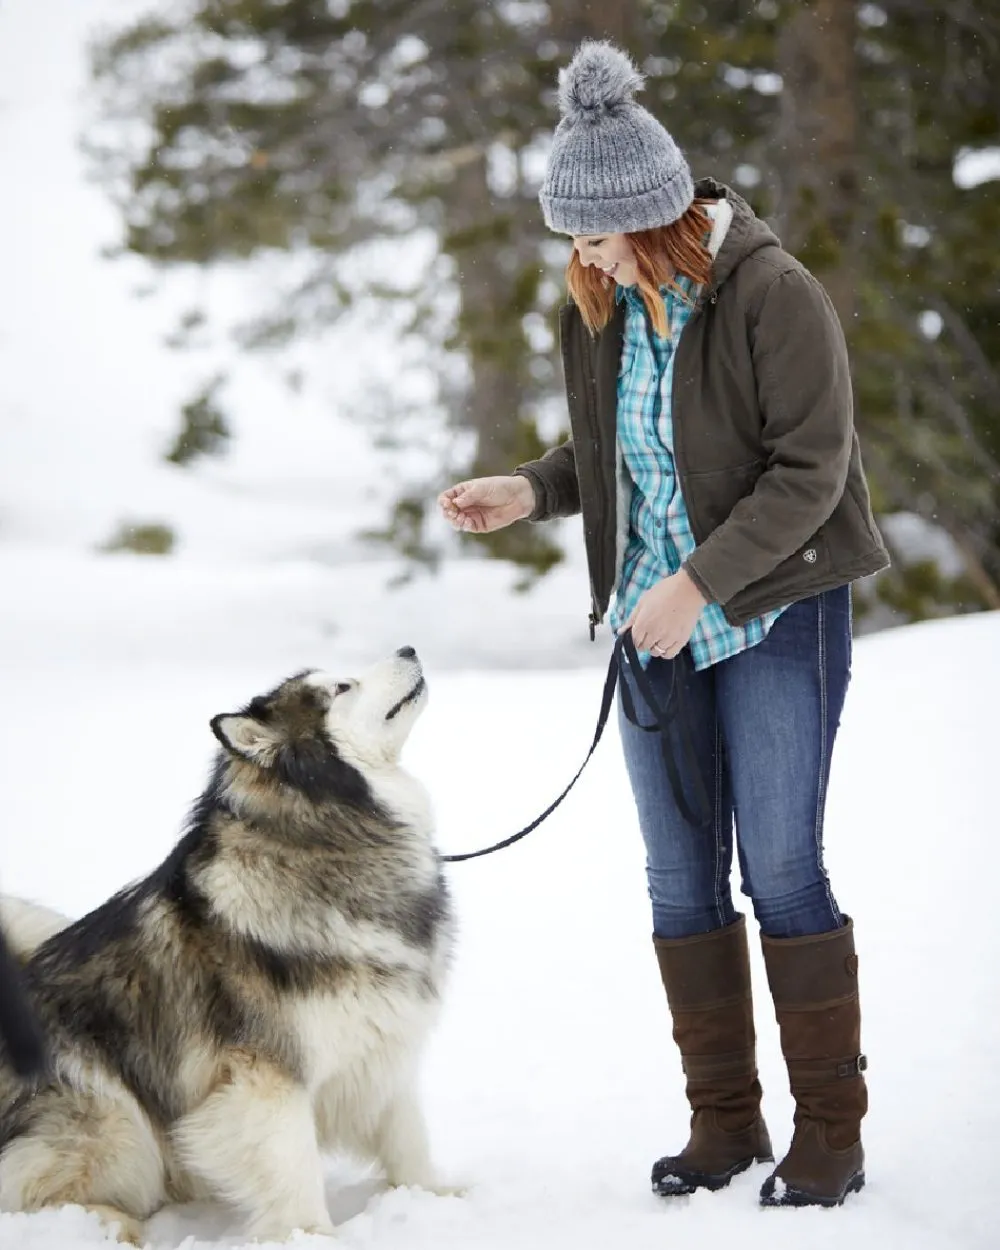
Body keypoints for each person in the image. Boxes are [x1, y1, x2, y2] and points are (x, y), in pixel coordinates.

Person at [438, 40, 890, 1209]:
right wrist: (531, 489)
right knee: (679, 875)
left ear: (650, 214)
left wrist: (699, 579)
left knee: (781, 864)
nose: (577, 256)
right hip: (653, 622)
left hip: (774, 607)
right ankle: (723, 1122)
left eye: (590, 234)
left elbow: (809, 470)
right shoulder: (599, 308)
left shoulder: (771, 295)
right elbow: (622, 457)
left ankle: (828, 1130)